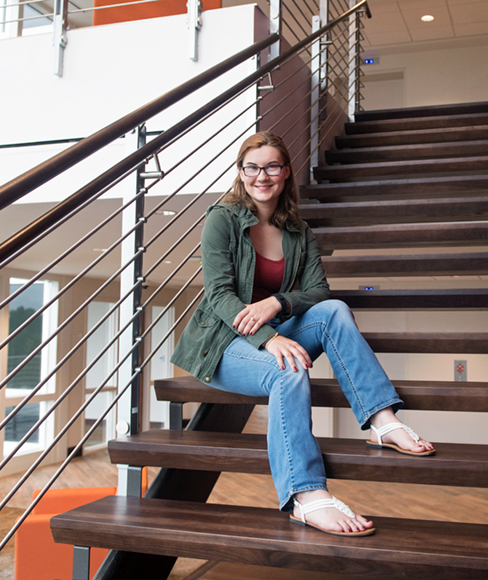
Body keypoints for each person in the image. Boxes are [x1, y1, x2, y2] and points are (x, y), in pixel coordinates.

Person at [171, 131, 434, 537]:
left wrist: (277, 303)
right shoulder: (221, 219)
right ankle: (306, 497)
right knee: (286, 370)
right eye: (252, 167)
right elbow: (219, 295)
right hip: (223, 345)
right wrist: (269, 339)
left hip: (278, 326)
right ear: (241, 174)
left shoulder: (298, 231)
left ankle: (382, 419)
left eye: (272, 166)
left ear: (286, 171)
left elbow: (318, 292)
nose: (262, 176)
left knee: (334, 311)